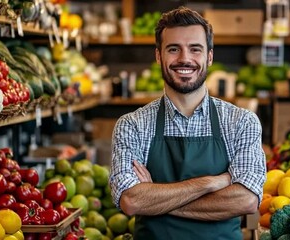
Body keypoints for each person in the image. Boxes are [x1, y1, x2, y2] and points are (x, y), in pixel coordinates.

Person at [109, 6, 267, 240]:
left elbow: (246, 200)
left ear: (209, 56)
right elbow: (131, 201)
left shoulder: (241, 122)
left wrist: (155, 200)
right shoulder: (132, 125)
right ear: (158, 55)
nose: (185, 59)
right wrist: (212, 182)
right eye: (174, 49)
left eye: (195, 49)